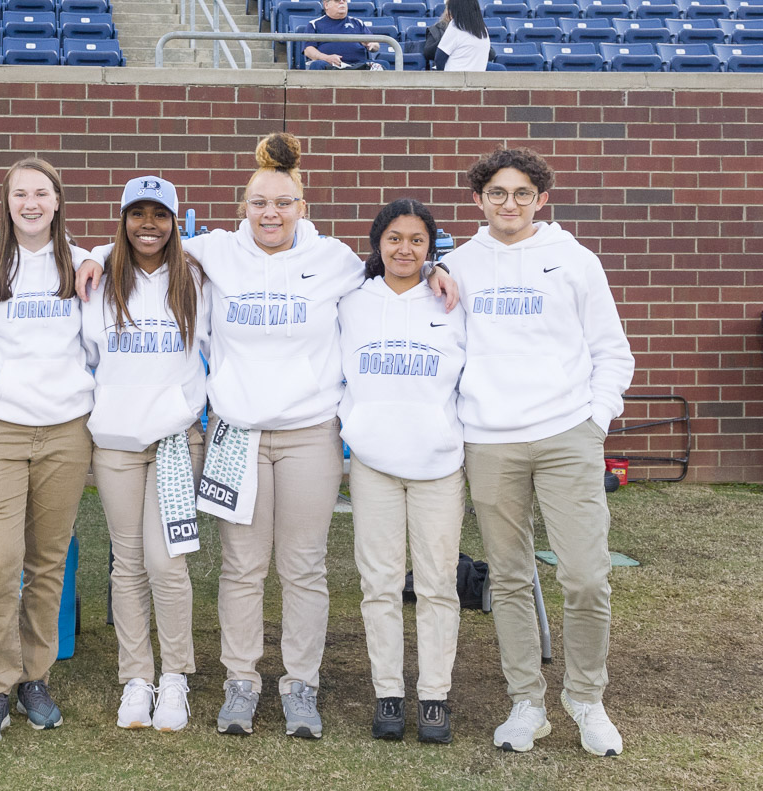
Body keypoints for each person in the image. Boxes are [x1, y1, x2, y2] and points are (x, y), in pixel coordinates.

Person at [172, 133, 455, 741]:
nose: (269, 213)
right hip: (235, 436)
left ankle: (301, 686)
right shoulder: (216, 251)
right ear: (241, 206)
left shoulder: (333, 260)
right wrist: (91, 257)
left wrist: (442, 267)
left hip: (308, 436)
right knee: (243, 567)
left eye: (283, 202)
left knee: (303, 568)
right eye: (257, 203)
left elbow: (396, 270)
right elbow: (142, 244)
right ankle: (241, 683)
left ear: (303, 205)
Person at [441, 147, 634, 757]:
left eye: (522, 193)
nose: (509, 204)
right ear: (478, 200)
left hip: (566, 434)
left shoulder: (574, 260)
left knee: (585, 576)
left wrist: (594, 420)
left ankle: (585, 697)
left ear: (541, 199)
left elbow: (612, 351)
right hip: (491, 440)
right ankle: (527, 701)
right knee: (511, 578)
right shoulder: (457, 264)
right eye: (497, 193)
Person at [0, 158, 96, 748]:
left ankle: (34, 677)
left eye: (42, 192)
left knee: (47, 561)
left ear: (58, 200)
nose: (32, 203)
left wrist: (94, 258)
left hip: (66, 429)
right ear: (7, 201)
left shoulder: (85, 263)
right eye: (21, 194)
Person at [81, 176, 209, 733]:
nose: (149, 224)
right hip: (115, 444)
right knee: (127, 563)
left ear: (175, 221)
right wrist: (92, 255)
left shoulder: (199, 276)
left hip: (176, 441)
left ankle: (176, 675)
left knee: (166, 560)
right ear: (124, 219)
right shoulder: (99, 277)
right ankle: (137, 676)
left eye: (160, 214)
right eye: (138, 213)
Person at [338, 199, 466, 745]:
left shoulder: (453, 300)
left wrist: (443, 272)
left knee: (438, 585)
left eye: (417, 240)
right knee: (380, 584)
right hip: (374, 463)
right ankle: (387, 691)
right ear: (377, 243)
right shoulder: (351, 301)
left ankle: (434, 696)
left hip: (437, 464)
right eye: (394, 238)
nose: (405, 249)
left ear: (432, 247)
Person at [302, 0, 381, 70]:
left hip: (359, 65)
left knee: (382, 64)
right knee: (317, 64)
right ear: (326, 5)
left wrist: (372, 45)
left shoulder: (357, 22)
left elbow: (375, 45)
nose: (342, 2)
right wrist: (326, 58)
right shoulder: (314, 24)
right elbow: (308, 50)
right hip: (330, 64)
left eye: (344, 0)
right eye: (337, 0)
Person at [423, 0, 495, 69]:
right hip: (477, 78)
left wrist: (442, 76)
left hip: (454, 78)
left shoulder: (455, 26)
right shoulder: (483, 28)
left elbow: (439, 58)